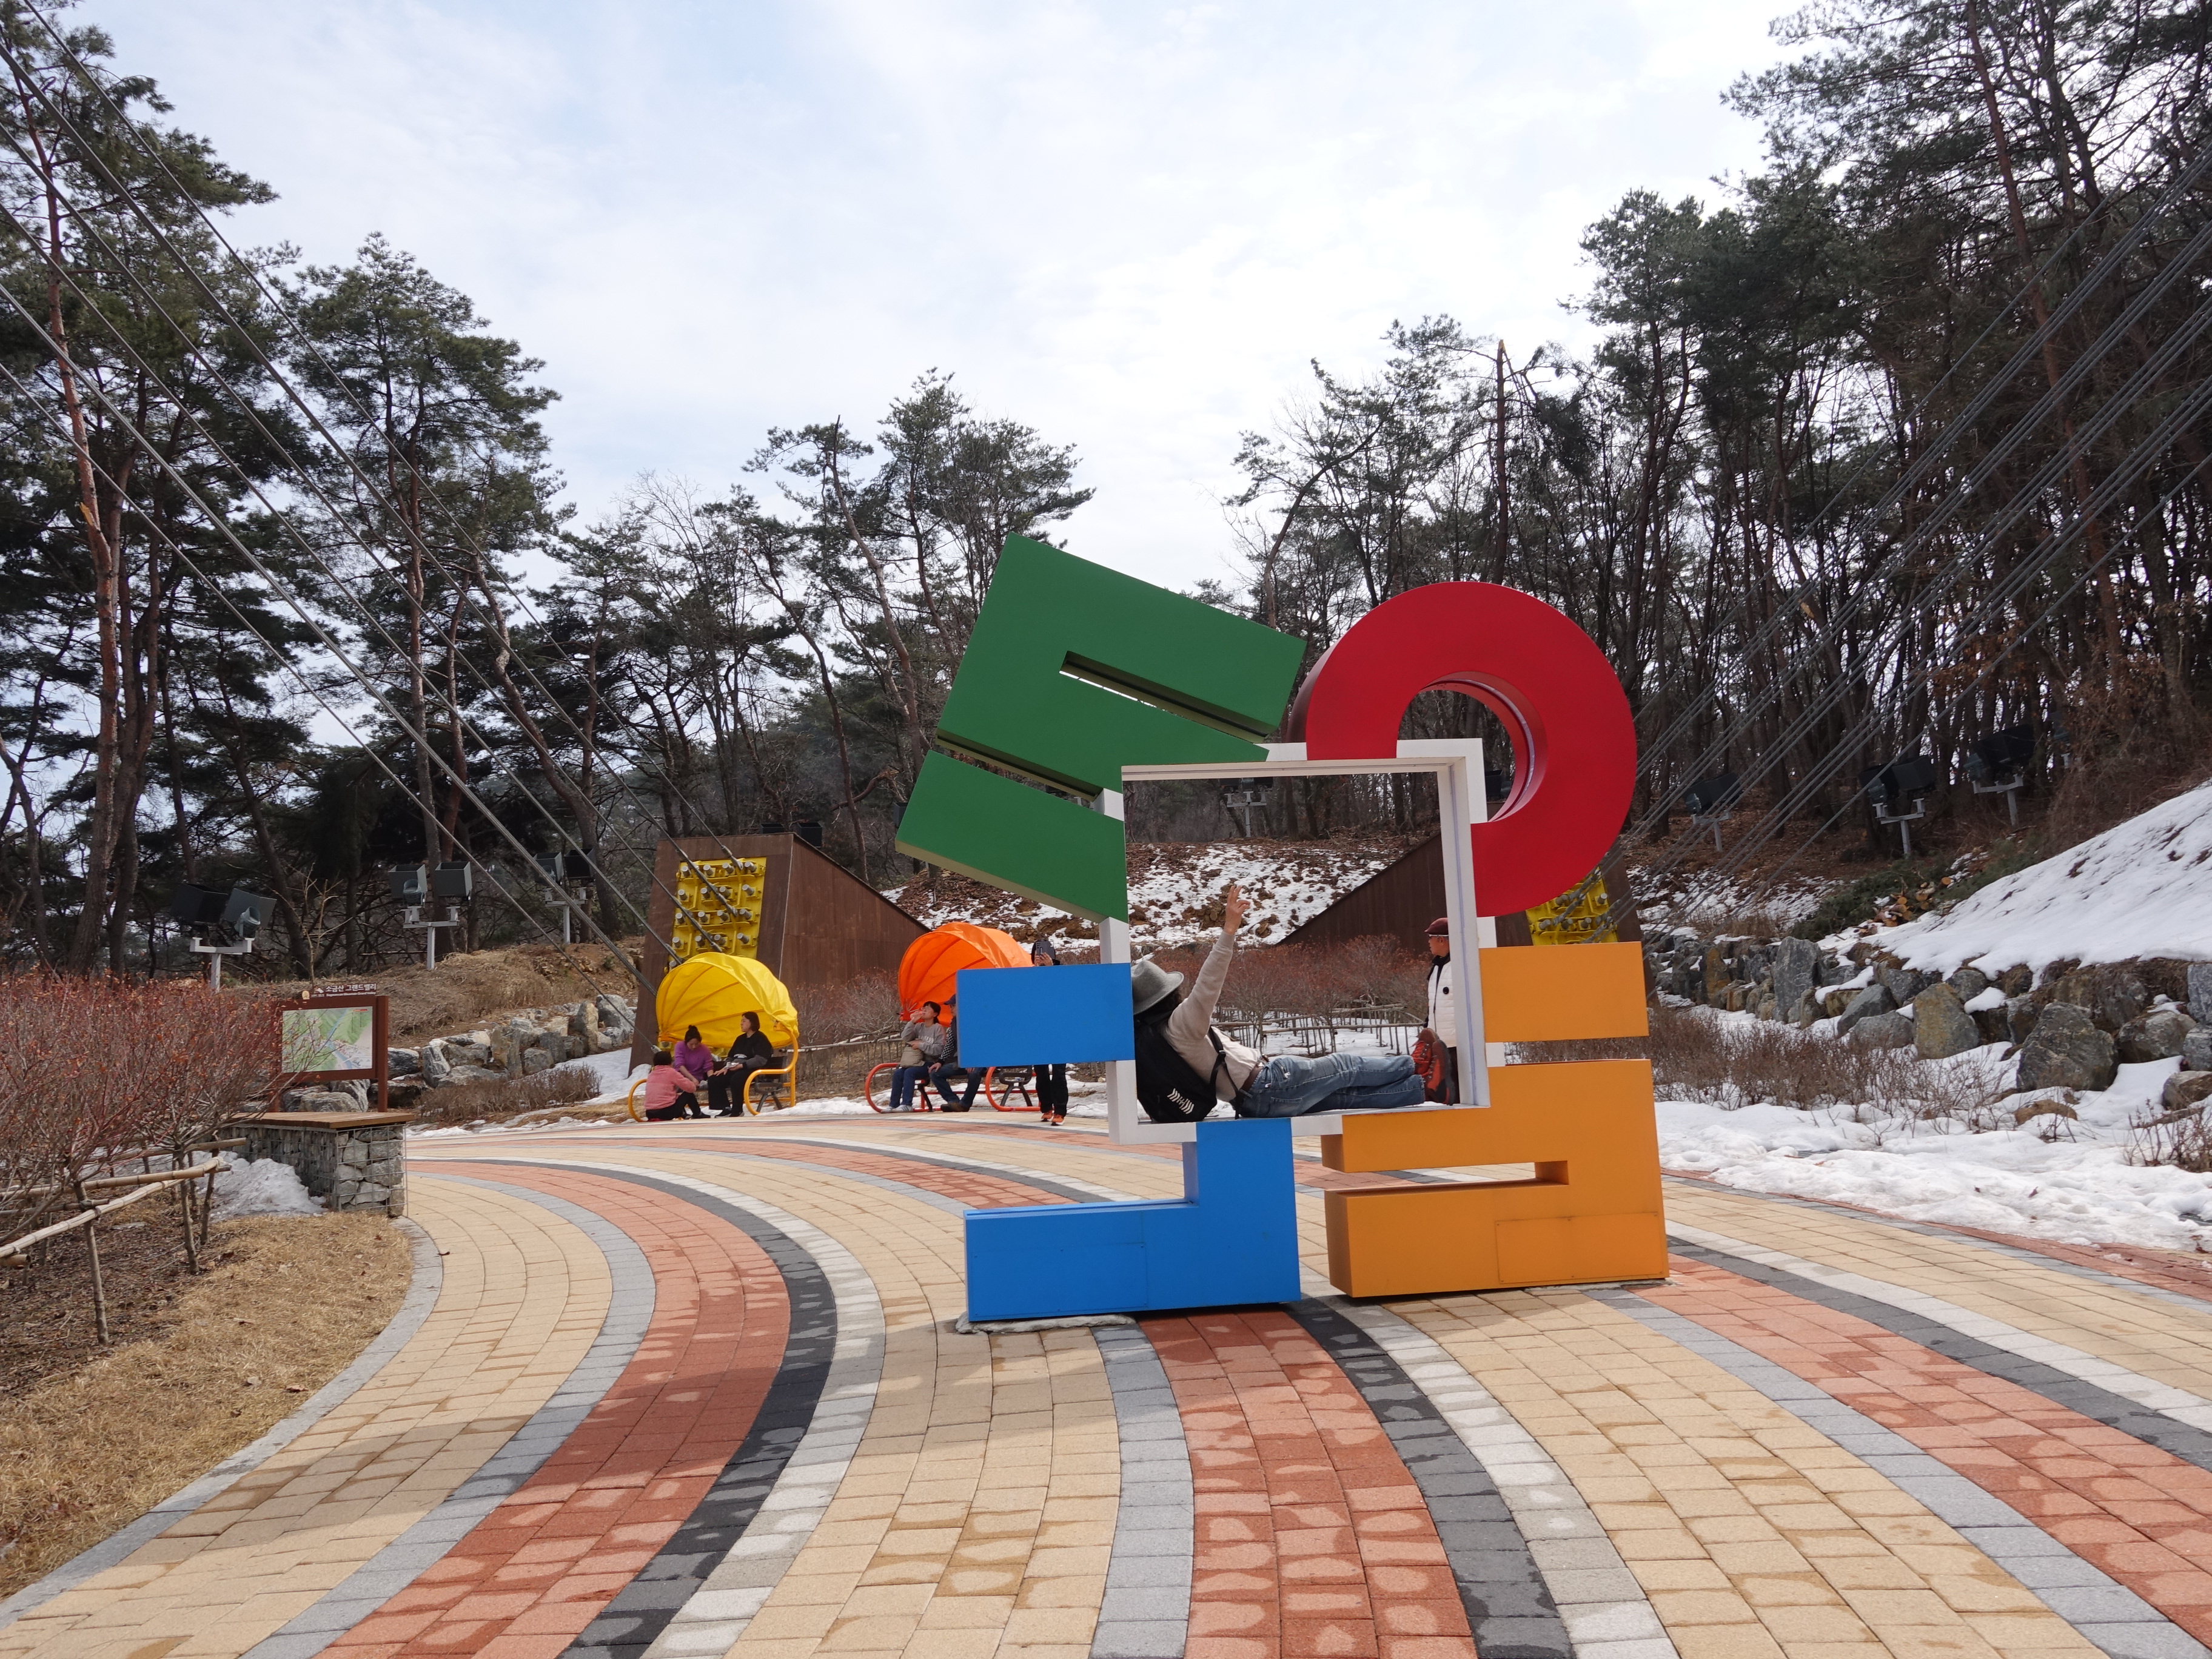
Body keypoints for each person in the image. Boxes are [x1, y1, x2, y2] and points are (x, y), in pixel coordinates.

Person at [1131, 882, 1426, 1116]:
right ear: (1169, 995)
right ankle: (1414, 1065)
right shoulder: (1181, 1024)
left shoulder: (1158, 1037)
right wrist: (1229, 931)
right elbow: (1209, 983)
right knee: (1344, 1065)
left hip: (1252, 1103)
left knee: (1347, 1096)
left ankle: (1424, 1088)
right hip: (1268, 1083)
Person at [1418, 916, 1460, 1104]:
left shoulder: (1459, 967)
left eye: (1431, 938)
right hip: (1440, 1045)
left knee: (1459, 1093)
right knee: (1444, 1094)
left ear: (1441, 939)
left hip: (1457, 1046)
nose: (1429, 942)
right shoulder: (1437, 967)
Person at [1030, 934, 1069, 1126]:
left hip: (1059, 1029)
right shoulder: (1029, 976)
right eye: (1037, 953)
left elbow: (1064, 995)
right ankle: (1046, 1107)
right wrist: (1037, 972)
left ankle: (1060, 1111)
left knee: (1059, 1071)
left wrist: (1050, 970)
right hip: (1038, 1030)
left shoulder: (1061, 973)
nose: (1040, 955)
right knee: (1041, 1071)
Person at [708, 1013, 777, 1116]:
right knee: (714, 1079)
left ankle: (737, 1110)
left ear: (752, 1023)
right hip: (735, 1068)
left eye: (744, 1021)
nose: (741, 1024)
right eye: (741, 1021)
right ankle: (725, 1108)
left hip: (752, 1069)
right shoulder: (740, 1039)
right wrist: (727, 1067)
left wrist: (742, 1066)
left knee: (736, 1078)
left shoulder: (761, 1039)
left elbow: (761, 1059)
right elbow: (730, 1056)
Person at [888, 1002, 949, 1111]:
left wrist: (921, 1045)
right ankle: (894, 1104)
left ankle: (907, 1104)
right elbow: (905, 1038)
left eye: (928, 1009)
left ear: (935, 1014)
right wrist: (912, 1022)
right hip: (916, 1062)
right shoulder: (919, 1026)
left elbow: (939, 1049)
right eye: (923, 1008)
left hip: (931, 1063)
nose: (924, 1010)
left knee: (910, 1072)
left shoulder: (938, 1028)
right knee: (898, 1073)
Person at [928, 995, 983, 1112]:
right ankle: (953, 1101)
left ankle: (965, 1104)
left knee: (974, 1073)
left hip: (981, 1060)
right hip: (962, 1060)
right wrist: (940, 1061)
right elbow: (950, 1043)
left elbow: (981, 1043)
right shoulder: (954, 1022)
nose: (951, 1009)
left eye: (954, 1006)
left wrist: (973, 1060)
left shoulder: (976, 1021)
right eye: (950, 1006)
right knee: (935, 1073)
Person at [669, 1025, 713, 1119]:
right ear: (686, 1042)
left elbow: (708, 1067)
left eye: (696, 1044)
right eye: (691, 1044)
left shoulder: (705, 1049)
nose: (694, 1047)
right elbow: (680, 1065)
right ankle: (687, 1112)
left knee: (687, 1088)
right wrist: (691, 1079)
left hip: (697, 1077)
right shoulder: (680, 1046)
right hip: (681, 1075)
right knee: (681, 1086)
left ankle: (690, 1112)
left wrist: (712, 1079)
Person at [640, 1048, 694, 1122]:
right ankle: (697, 1114)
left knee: (674, 1097)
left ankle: (683, 1114)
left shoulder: (651, 1074)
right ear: (670, 1063)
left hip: (650, 1113)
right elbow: (690, 1088)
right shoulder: (671, 1072)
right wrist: (694, 1084)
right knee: (688, 1094)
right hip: (665, 1112)